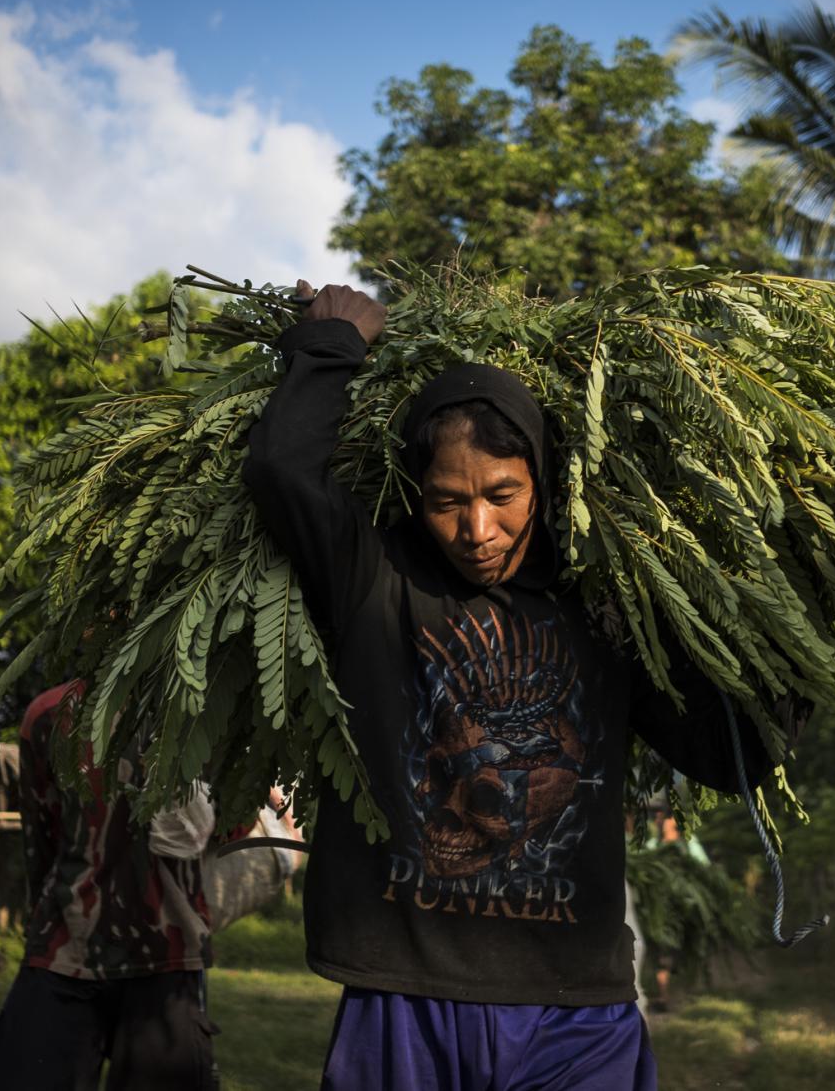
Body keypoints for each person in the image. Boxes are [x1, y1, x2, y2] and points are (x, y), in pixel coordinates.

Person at [243, 281, 791, 1090]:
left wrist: (794, 645)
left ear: (542, 478)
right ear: (413, 495)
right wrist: (333, 344)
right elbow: (282, 468)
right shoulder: (372, 576)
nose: (477, 531)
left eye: (503, 496)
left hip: (576, 1003)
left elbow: (723, 754)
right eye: (446, 502)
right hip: (408, 987)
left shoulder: (605, 603)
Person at [0, 680, 221, 1091]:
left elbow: (230, 825)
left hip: (165, 956)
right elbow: (41, 840)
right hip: (66, 948)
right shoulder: (51, 715)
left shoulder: (205, 708)